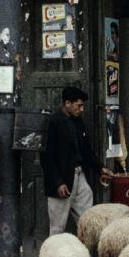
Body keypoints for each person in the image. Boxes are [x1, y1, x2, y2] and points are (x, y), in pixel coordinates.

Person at [40, 87, 114, 236]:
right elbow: (47, 157)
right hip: (62, 178)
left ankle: (86, 254)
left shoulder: (78, 122)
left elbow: (85, 150)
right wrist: (58, 182)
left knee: (86, 219)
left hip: (79, 175)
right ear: (67, 103)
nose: (82, 109)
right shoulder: (52, 122)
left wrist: (100, 168)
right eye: (78, 105)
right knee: (57, 226)